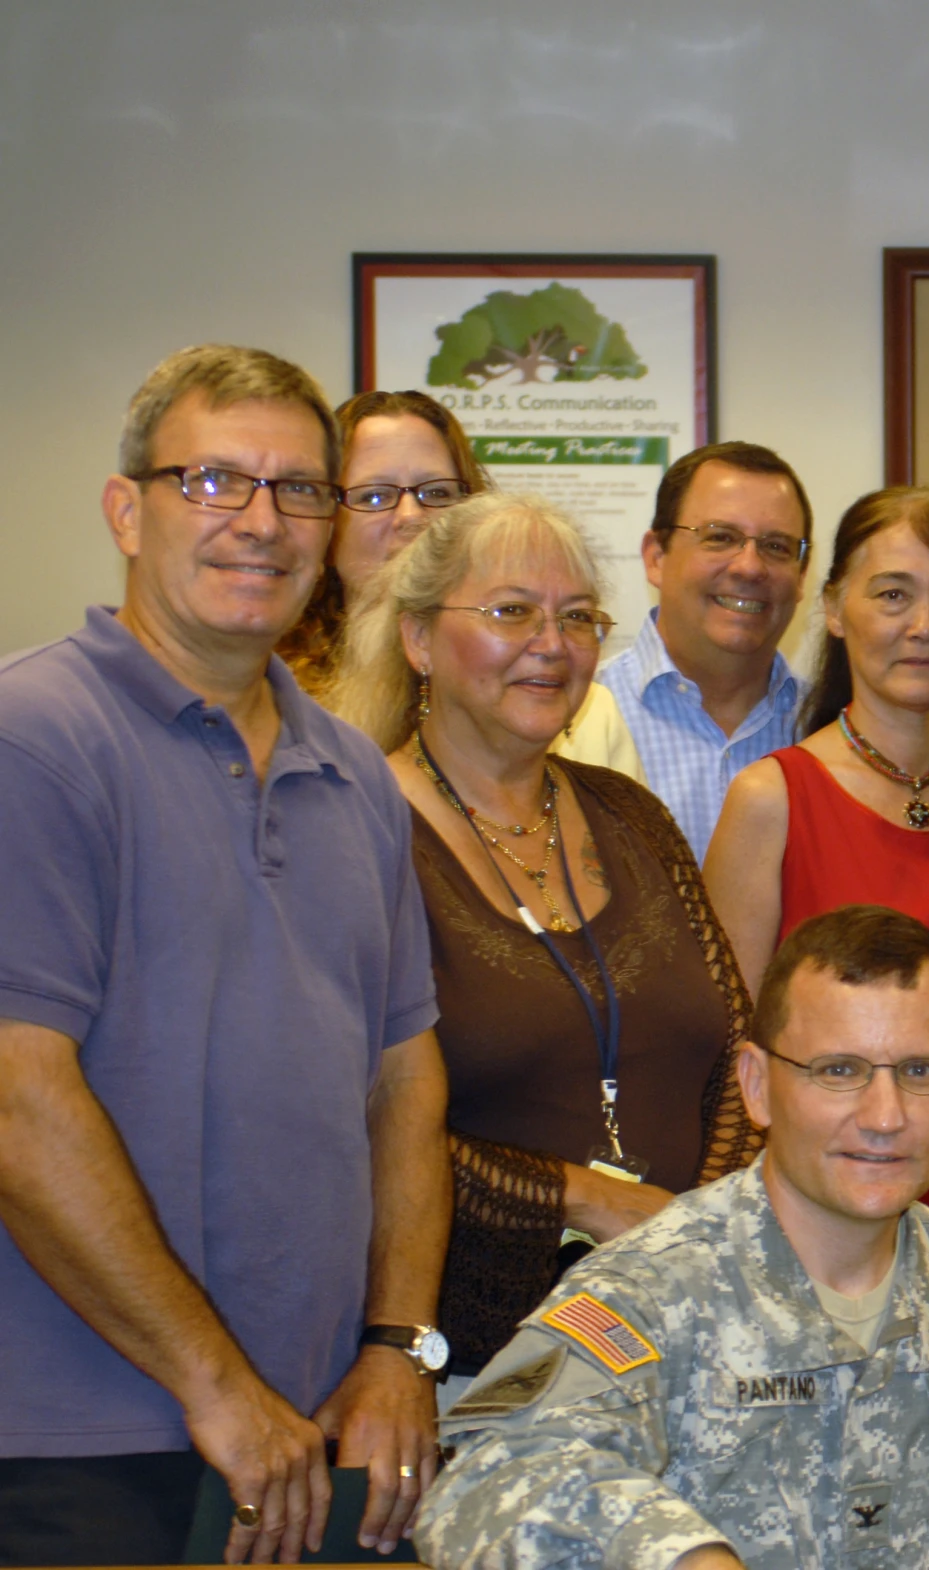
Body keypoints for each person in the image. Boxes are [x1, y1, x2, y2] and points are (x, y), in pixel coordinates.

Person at [0, 346, 450, 1565]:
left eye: (300, 489)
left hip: (323, 1439)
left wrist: (394, 1346)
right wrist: (215, 1385)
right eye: (212, 481)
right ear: (124, 509)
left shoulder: (355, 773)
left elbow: (405, 1082)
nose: (261, 522)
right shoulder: (34, 740)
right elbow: (20, 1099)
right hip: (85, 1451)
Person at [415, 905, 929, 1570]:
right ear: (757, 1085)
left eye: (921, 1072)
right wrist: (683, 1555)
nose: (885, 1115)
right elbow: (486, 1478)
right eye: (838, 1071)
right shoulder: (653, 1291)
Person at [328, 492, 760, 1388]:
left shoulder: (631, 817)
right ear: (417, 641)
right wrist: (584, 1196)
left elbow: (732, 1046)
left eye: (576, 618)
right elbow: (347, 1113)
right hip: (453, 1361)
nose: (551, 643)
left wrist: (686, 1229)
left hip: (674, 1335)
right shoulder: (353, 831)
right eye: (510, 611)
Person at [705, 486, 929, 1245]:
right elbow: (727, 1063)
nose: (924, 626)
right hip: (833, 1214)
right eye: (892, 595)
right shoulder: (770, 801)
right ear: (836, 609)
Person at [274, 390, 637, 775]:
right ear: (325, 522)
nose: (412, 516)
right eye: (375, 495)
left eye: (437, 493)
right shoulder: (275, 704)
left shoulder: (581, 710)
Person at [597, 440, 813, 858]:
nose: (749, 566)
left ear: (802, 574)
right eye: (720, 537)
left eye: (776, 546)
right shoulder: (575, 717)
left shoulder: (828, 725)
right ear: (656, 557)